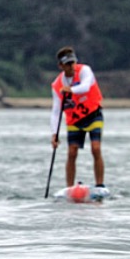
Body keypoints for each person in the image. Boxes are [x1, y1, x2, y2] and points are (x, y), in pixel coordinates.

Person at [49, 46, 105, 189]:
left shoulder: (85, 71)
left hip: (93, 115)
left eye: (73, 62)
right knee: (72, 152)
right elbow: (56, 111)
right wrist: (54, 134)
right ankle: (69, 187)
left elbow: (85, 87)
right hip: (74, 120)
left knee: (96, 148)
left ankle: (100, 185)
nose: (71, 66)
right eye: (68, 64)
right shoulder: (57, 85)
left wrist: (71, 90)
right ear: (61, 66)